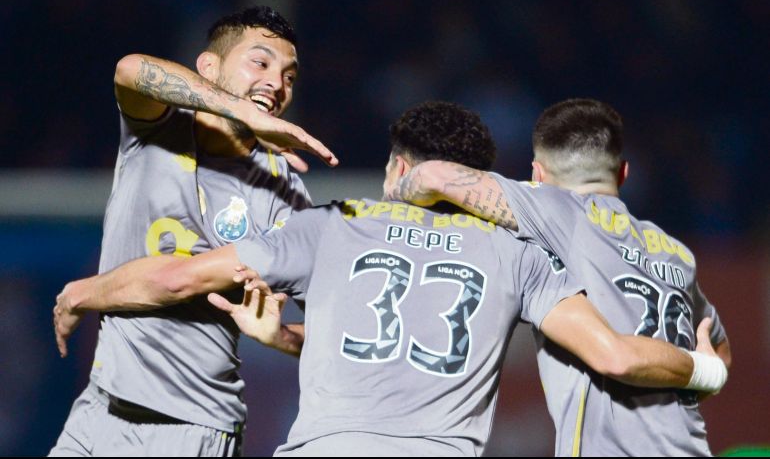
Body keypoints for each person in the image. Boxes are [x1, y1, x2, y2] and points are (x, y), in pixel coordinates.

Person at [54, 101, 726, 456]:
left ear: (395, 170)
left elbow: (180, 279)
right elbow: (612, 352)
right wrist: (704, 368)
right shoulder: (517, 255)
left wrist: (85, 291)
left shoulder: (337, 224)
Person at [49, 6, 337, 457]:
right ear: (209, 66)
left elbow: (340, 330)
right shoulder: (156, 128)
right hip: (97, 409)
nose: (277, 84)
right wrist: (241, 109)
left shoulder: (284, 193)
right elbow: (130, 69)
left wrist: (281, 337)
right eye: (260, 63)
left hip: (188, 427)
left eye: (290, 76)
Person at [386, 98, 732, 456]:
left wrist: (389, 198)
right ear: (623, 173)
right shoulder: (676, 253)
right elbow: (719, 354)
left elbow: (431, 175)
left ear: (537, 175)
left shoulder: (553, 210)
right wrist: (704, 373)